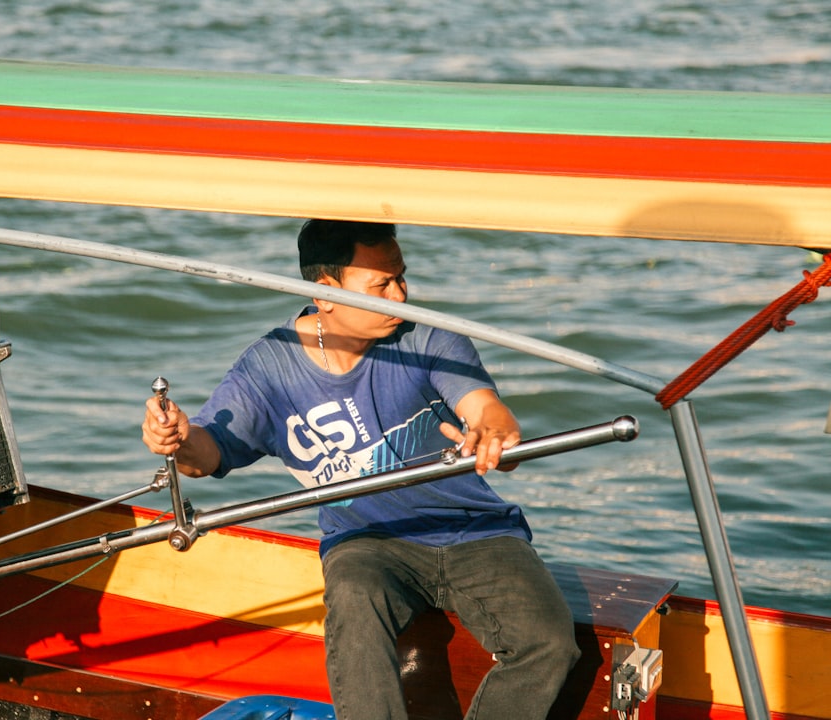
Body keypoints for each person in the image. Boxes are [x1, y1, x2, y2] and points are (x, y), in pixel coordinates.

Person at [141, 220, 579, 720]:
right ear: (324, 293)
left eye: (402, 278)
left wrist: (496, 431)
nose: (401, 295)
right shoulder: (268, 366)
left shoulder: (429, 337)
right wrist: (176, 438)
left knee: (549, 642)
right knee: (353, 594)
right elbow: (207, 452)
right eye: (381, 286)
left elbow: (485, 409)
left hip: (475, 529)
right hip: (367, 543)